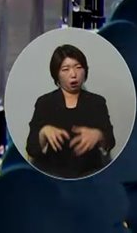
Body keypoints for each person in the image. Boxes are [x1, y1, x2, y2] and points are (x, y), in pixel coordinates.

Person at [26, 44, 116, 179]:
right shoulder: (45, 103)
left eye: (78, 67)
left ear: (85, 71)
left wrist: (99, 135)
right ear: (56, 73)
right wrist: (43, 132)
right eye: (65, 69)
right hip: (53, 176)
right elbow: (31, 149)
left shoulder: (97, 102)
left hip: (90, 175)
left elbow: (110, 141)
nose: (73, 75)